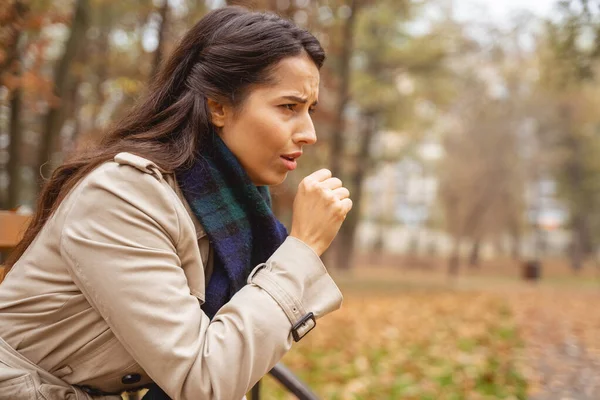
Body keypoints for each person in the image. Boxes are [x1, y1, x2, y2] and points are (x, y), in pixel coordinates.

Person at [0, 6, 352, 400]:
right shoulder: (122, 197)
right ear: (218, 106)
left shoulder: (230, 206)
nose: (309, 133)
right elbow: (204, 380)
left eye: (310, 110)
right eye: (289, 107)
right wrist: (301, 249)